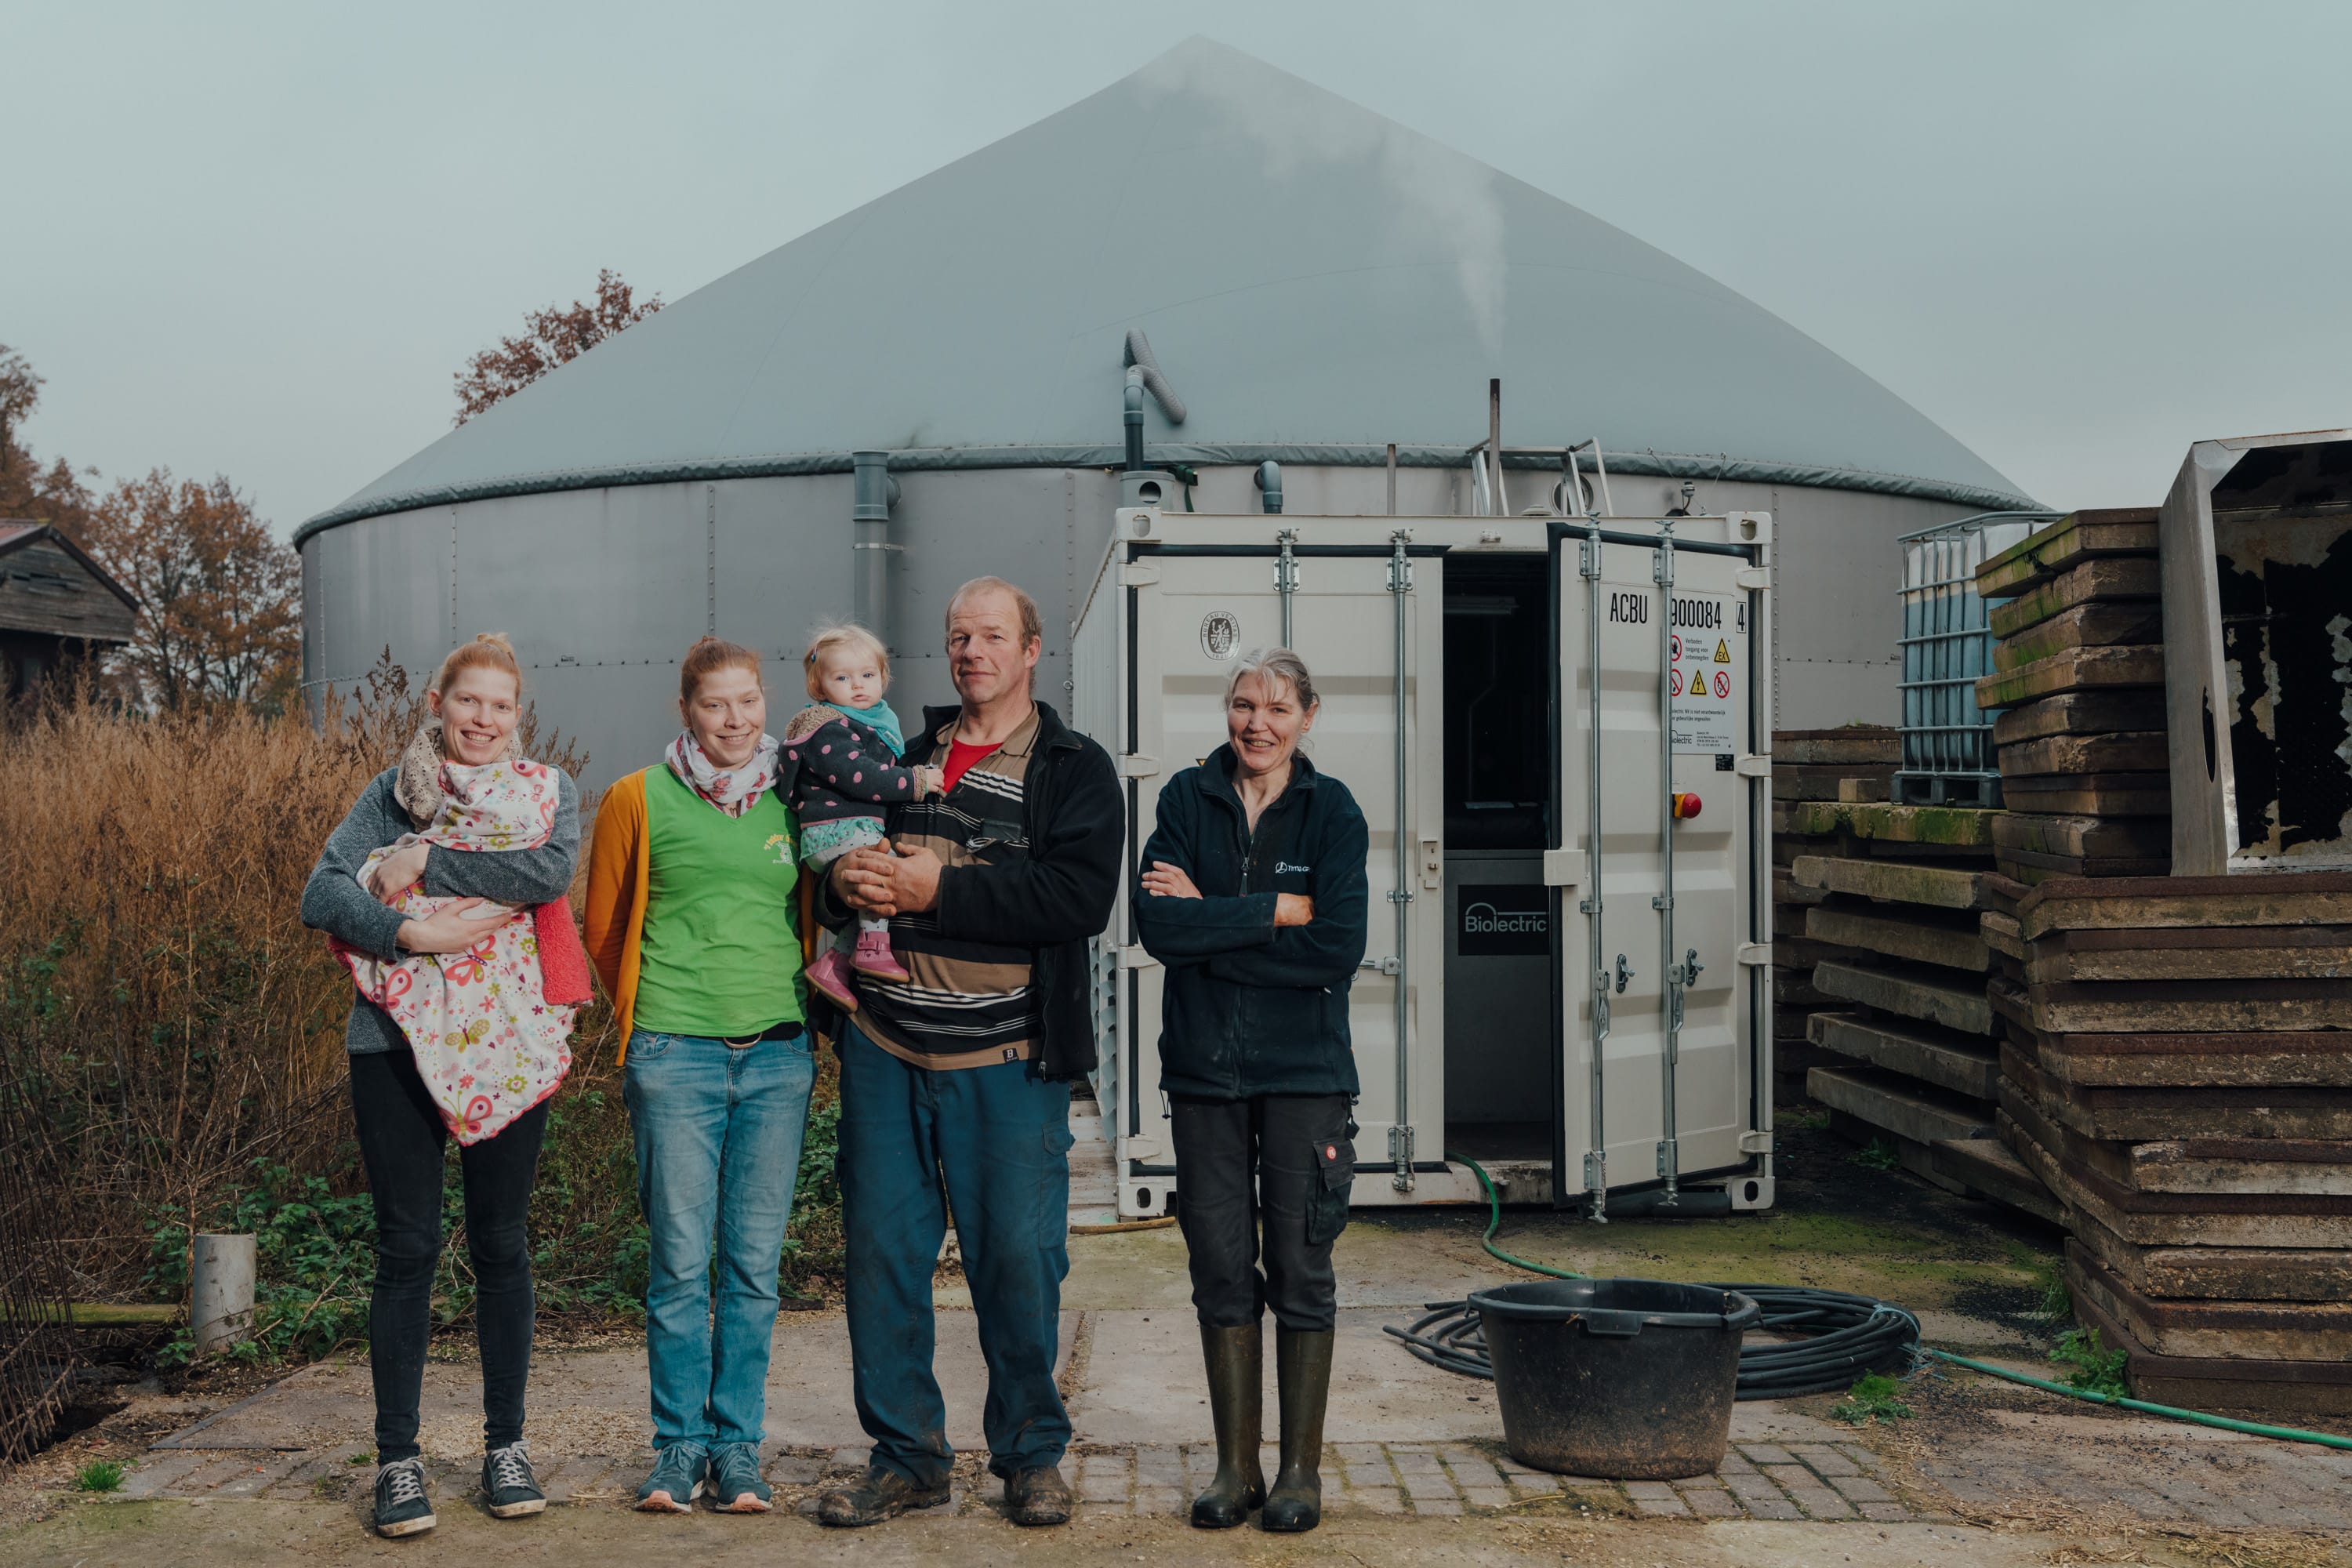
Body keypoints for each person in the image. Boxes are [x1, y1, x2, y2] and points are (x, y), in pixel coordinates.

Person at [812, 576, 1121, 1529]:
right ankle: (908, 1455)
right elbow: (836, 861)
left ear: (1032, 650)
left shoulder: (1072, 767)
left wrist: (931, 889)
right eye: (957, 636)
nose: (972, 650)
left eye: (992, 635)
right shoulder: (903, 755)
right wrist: (843, 877)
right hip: (886, 1046)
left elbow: (1076, 898)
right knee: (883, 1260)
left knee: (1019, 1263)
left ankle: (1030, 1453)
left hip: (1005, 1059)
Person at [301, 632, 588, 1539]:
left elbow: (546, 872)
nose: (483, 718)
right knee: (408, 1245)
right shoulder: (395, 792)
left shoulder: (546, 792)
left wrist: (424, 863)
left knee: (501, 1241)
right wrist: (410, 937)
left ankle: (507, 1445)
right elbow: (322, 891)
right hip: (392, 1040)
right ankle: (399, 1459)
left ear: (518, 716)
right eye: (469, 701)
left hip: (508, 1037)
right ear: (437, 702)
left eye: (501, 705)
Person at [1133, 648, 1369, 1534]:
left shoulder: (1333, 810)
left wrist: (1214, 920)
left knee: (1302, 1267)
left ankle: (1300, 1471)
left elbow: (1337, 947)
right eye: (1242, 704)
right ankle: (1237, 1467)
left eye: (1276, 706)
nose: (1256, 723)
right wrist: (1274, 909)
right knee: (1220, 1265)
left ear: (1309, 713)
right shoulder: (1184, 799)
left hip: (1306, 1073)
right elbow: (1161, 924)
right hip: (1204, 1072)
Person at [583, 636, 817, 1515]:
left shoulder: (794, 798)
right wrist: (654, 1020)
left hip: (777, 1055)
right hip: (673, 1054)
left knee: (753, 1267)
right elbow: (604, 928)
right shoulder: (637, 797)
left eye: (749, 701)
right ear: (685, 709)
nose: (736, 719)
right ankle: (678, 1447)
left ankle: (740, 1449)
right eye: (717, 704)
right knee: (681, 1263)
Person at [779, 622, 944, 1011]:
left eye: (868, 675)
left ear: (883, 677)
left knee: (865, 891)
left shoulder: (869, 721)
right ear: (820, 688)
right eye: (843, 677)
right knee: (880, 872)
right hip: (835, 830)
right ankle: (872, 949)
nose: (858, 686)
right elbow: (861, 777)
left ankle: (834, 964)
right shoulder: (828, 728)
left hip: (847, 828)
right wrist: (915, 782)